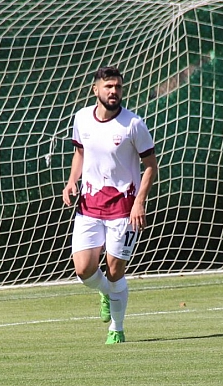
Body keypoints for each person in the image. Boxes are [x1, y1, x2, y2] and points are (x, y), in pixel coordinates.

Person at [62, 66, 158, 344]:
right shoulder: (81, 118)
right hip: (89, 206)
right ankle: (105, 292)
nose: (113, 91)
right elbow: (80, 152)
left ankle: (116, 328)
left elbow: (150, 166)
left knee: (115, 271)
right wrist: (71, 182)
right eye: (108, 86)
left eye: (117, 86)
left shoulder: (133, 124)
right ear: (96, 90)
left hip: (123, 209)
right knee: (83, 270)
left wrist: (139, 201)